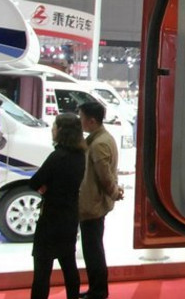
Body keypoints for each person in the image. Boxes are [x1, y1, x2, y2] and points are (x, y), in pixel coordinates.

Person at [29, 113, 87, 299]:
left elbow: (34, 182)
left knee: (42, 270)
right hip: (69, 216)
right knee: (69, 265)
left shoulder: (57, 156)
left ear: (61, 130)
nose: (52, 129)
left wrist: (45, 187)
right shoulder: (80, 155)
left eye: (54, 126)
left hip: (51, 218)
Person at [78, 101, 124, 299]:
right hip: (95, 203)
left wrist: (115, 192)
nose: (80, 121)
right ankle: (96, 289)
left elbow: (104, 176)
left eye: (81, 117)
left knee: (93, 250)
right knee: (93, 248)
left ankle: (98, 291)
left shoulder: (99, 143)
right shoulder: (101, 139)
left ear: (91, 120)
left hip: (93, 204)